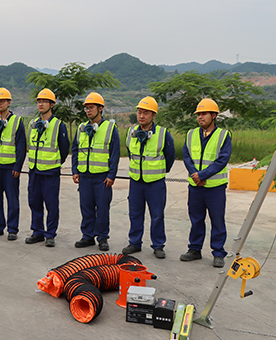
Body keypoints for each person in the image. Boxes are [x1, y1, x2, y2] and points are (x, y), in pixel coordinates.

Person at [181, 98, 232, 268]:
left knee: (217, 220)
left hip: (215, 188)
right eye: (198, 114)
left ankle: (218, 253)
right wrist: (195, 175)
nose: (200, 117)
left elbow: (222, 160)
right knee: (196, 219)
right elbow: (186, 156)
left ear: (214, 115)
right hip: (195, 187)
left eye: (204, 114)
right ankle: (194, 249)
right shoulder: (191, 134)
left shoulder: (223, 135)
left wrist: (202, 175)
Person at [121, 97, 175, 259]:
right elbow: (131, 154)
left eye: (145, 113)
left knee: (157, 214)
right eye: (139, 112)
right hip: (136, 182)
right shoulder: (131, 133)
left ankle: (158, 245)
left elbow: (170, 156)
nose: (141, 116)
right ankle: (135, 243)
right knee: (135, 213)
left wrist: (159, 172)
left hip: (155, 183)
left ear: (153, 115)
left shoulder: (163, 134)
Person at [71, 92, 119, 251]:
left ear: (100, 109)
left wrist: (111, 175)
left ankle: (103, 237)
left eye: (91, 107)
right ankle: (87, 236)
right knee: (86, 207)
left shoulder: (110, 128)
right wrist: (75, 170)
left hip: (102, 177)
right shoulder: (82, 128)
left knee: (103, 208)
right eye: (86, 108)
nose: (88, 111)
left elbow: (114, 153)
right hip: (85, 176)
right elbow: (76, 150)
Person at [26, 88, 69, 247]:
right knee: (34, 202)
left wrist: (54, 162)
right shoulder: (33, 124)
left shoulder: (58, 125)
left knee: (51, 204)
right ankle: (37, 232)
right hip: (34, 171)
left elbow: (64, 149)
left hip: (50, 173)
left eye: (44, 101)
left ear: (52, 104)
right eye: (39, 101)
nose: (41, 104)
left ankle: (50, 234)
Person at [0, 88, 26, 241]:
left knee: (12, 199)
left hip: (9, 168)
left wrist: (18, 167)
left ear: (9, 102)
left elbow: (21, 146)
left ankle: (13, 229)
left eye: (2, 101)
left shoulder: (16, 121)